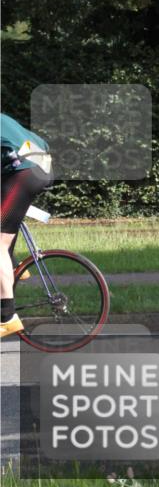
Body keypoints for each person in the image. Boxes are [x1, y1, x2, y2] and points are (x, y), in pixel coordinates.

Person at [1, 112, 53, 337]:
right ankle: (14, 267)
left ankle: (7, 317)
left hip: (23, 173)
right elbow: (40, 144)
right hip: (41, 165)